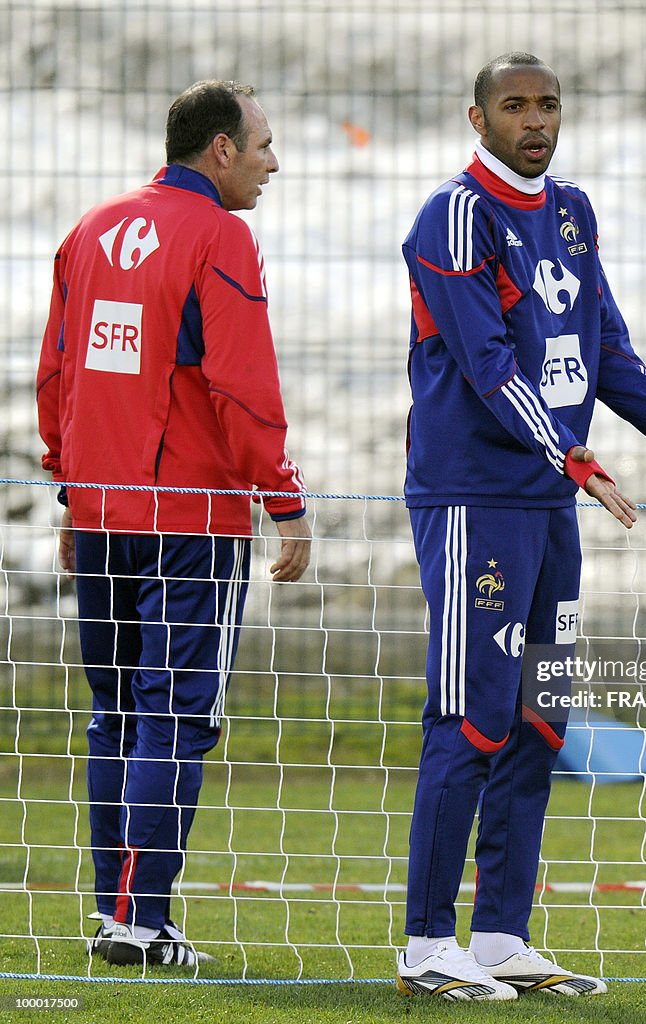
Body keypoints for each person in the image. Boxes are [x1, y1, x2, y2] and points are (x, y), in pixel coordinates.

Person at [396, 52, 646, 1001]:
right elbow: (488, 364)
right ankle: (424, 945)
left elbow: (606, 348)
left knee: (538, 717)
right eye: (514, 105)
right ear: (476, 118)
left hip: (549, 505)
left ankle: (498, 938)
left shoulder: (570, 211)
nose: (535, 120)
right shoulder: (453, 215)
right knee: (470, 716)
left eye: (548, 104)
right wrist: (568, 454)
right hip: (474, 503)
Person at [36, 80, 311, 968]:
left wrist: (71, 489)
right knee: (174, 717)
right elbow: (242, 383)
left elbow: (58, 377)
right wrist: (286, 502)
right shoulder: (222, 234)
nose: (275, 162)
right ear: (221, 149)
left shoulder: (89, 229)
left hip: (105, 510)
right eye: (264, 144)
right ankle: (142, 922)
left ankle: (118, 916)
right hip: (193, 517)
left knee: (114, 713)